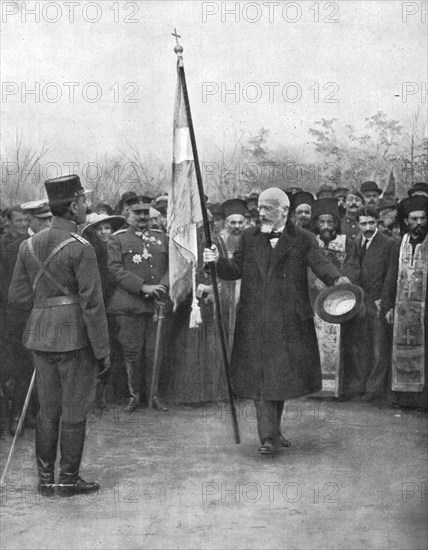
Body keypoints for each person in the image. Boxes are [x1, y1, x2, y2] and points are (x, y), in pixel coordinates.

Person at [203, 187, 350, 456]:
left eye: (267, 207)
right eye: (259, 207)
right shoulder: (249, 237)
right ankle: (267, 437)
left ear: (284, 211)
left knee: (279, 378)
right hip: (255, 320)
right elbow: (235, 269)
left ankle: (276, 431)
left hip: (289, 320)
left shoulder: (303, 238)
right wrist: (215, 263)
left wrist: (337, 279)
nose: (261, 212)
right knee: (261, 379)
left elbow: (320, 263)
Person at [8, 175, 110, 497]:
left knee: (48, 410)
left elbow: (17, 297)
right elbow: (92, 304)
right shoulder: (82, 247)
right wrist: (103, 350)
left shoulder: (28, 245)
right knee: (74, 409)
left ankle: (44, 482)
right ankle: (67, 480)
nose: (86, 206)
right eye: (82, 201)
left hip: (40, 336)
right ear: (72, 206)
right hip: (75, 338)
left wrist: (46, 306)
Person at [107, 194, 169, 413]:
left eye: (146, 212)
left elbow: (173, 266)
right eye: (138, 213)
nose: (143, 217)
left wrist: (162, 285)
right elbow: (114, 269)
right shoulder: (118, 239)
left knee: (155, 352)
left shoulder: (162, 238)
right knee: (132, 353)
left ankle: (154, 394)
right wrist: (142, 287)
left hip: (157, 306)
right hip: (128, 306)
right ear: (127, 213)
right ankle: (134, 396)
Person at [3, 200, 52, 436]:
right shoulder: (16, 248)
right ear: (31, 220)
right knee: (24, 366)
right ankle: (18, 415)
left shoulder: (54, 244)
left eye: (49, 219)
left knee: (44, 366)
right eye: (42, 220)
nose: (47, 224)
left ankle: (37, 413)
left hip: (47, 315)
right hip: (22, 317)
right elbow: (9, 289)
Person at [342, 207, 397, 401]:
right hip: (358, 304)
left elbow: (391, 276)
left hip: (378, 302)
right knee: (360, 346)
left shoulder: (389, 244)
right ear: (358, 224)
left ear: (377, 222)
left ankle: (375, 390)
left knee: (378, 348)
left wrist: (386, 303)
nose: (367, 227)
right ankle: (359, 386)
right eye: (363, 223)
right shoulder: (354, 243)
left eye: (371, 223)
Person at [382, 195, 428, 410]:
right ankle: (403, 398)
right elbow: (391, 277)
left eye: (422, 218)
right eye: (414, 219)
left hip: (424, 311)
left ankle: (423, 400)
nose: (419, 223)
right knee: (400, 349)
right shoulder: (398, 245)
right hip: (402, 309)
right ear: (406, 221)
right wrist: (388, 306)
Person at [308, 198, 356, 397]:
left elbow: (353, 267)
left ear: (337, 223)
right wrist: (314, 281)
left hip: (339, 300)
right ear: (316, 223)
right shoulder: (310, 241)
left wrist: (340, 283)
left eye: (330, 222)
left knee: (341, 345)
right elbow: (305, 267)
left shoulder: (347, 243)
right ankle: (314, 388)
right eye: (322, 222)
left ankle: (339, 389)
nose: (326, 227)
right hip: (313, 299)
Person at [82, 213, 125, 409]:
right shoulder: (92, 251)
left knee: (114, 347)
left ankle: (108, 393)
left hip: (115, 304)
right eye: (99, 229)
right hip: (99, 303)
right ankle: (94, 395)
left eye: (107, 228)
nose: (104, 232)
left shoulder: (118, 247)